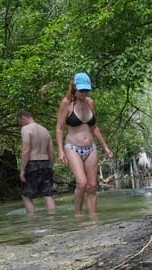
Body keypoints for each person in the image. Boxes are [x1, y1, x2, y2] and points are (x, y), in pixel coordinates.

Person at [56, 72, 113, 218]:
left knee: (92, 185)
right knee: (81, 182)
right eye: (82, 90)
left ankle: (93, 218)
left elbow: (94, 127)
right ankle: (79, 216)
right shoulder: (66, 103)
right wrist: (60, 151)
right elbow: (59, 128)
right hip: (72, 147)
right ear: (75, 87)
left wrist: (105, 147)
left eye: (86, 90)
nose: (84, 93)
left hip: (90, 148)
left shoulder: (90, 102)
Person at [18, 109, 57, 214]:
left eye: (20, 121)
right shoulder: (45, 130)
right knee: (48, 194)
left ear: (23, 117)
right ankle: (53, 219)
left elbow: (26, 150)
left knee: (26, 196)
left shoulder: (26, 129)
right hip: (46, 163)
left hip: (33, 164)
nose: (21, 124)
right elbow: (51, 152)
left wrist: (22, 170)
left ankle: (33, 220)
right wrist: (50, 165)